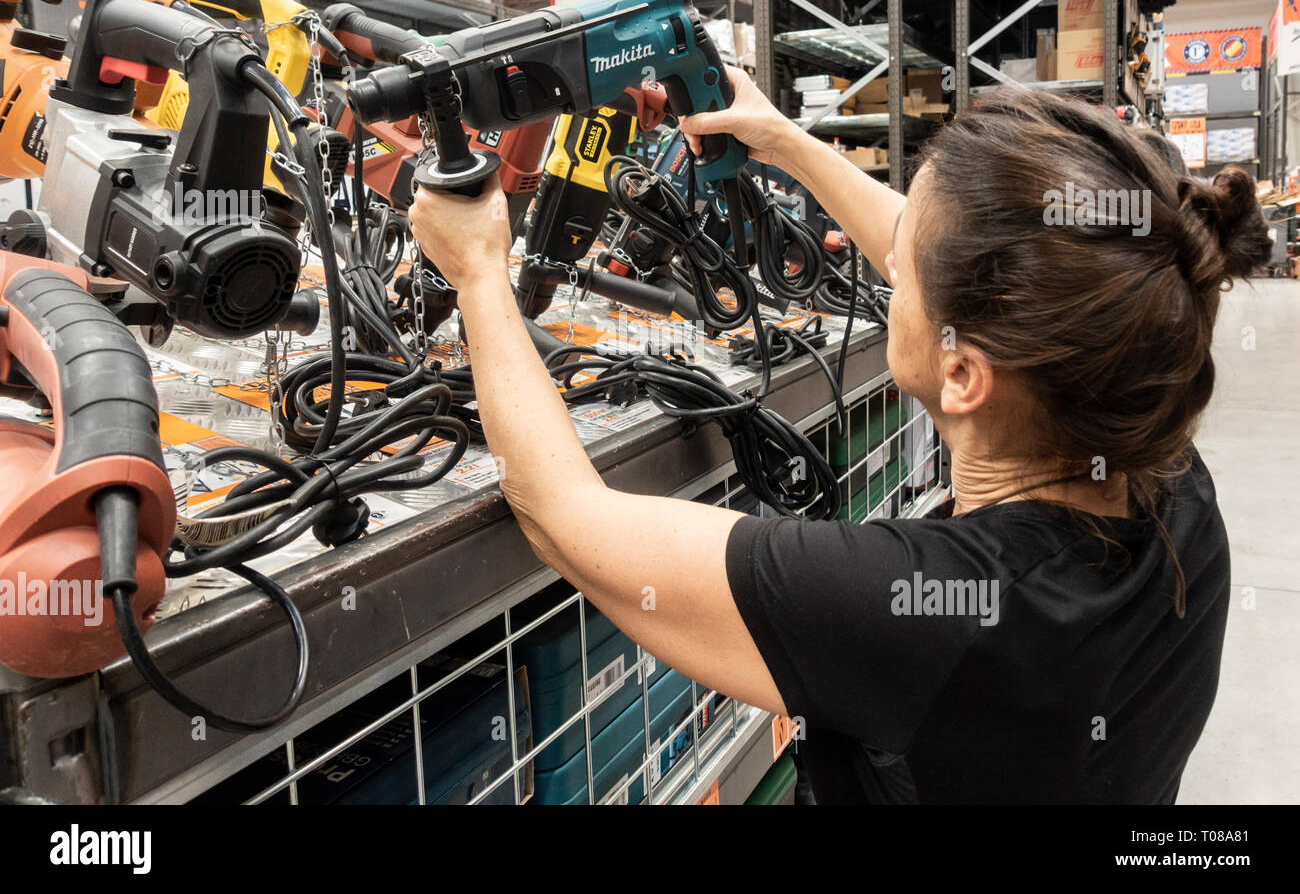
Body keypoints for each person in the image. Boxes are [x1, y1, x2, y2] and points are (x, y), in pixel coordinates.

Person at [408, 71, 1272, 804]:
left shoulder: (922, 611)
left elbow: (567, 515)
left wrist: (480, 269)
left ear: (965, 373)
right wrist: (779, 139)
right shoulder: (1169, 472)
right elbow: (959, 264)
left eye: (906, 272)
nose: (890, 264)